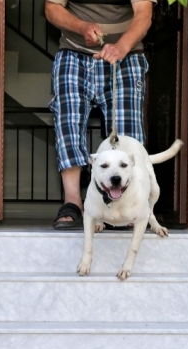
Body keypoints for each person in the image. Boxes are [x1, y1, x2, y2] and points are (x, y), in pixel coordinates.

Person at [46, 0, 155, 229]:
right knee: (69, 120)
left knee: (127, 133)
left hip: (126, 54)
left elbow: (144, 13)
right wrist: (82, 27)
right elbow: (52, 8)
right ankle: (73, 202)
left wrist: (121, 46)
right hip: (73, 52)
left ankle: (127, 206)